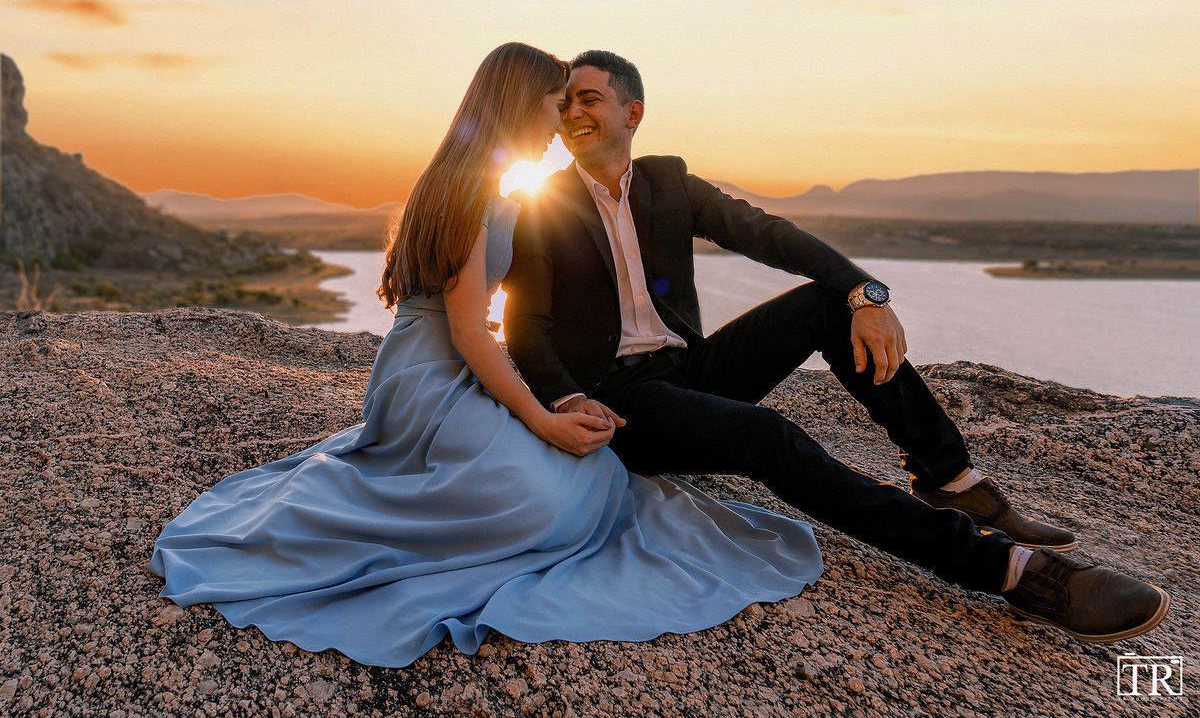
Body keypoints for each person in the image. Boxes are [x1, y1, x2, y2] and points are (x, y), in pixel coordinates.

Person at [149, 42, 828, 668]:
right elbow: (474, 333)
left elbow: (510, 322)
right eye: (553, 105)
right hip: (430, 377)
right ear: (517, 105)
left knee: (591, 481)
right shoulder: (471, 191)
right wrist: (544, 418)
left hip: (444, 369)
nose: (561, 120)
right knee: (549, 501)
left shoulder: (479, 184)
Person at [502, 49, 1170, 644]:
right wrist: (565, 398)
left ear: (632, 111)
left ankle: (948, 477)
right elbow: (525, 325)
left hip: (688, 372)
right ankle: (1007, 570)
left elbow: (768, 233)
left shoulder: (667, 182)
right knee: (767, 435)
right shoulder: (544, 204)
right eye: (565, 104)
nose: (572, 113)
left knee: (825, 303)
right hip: (620, 402)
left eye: (588, 98)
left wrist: (863, 294)